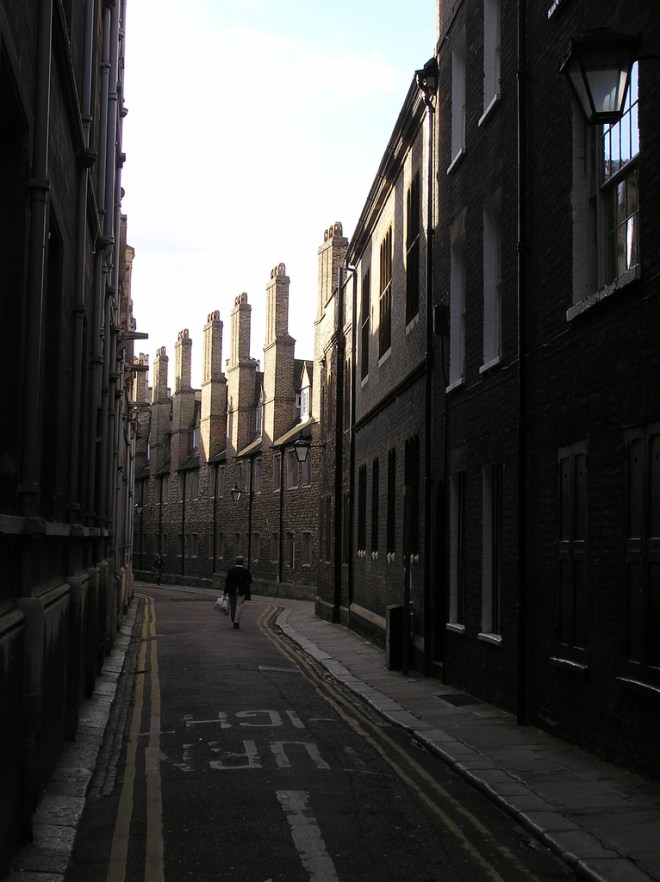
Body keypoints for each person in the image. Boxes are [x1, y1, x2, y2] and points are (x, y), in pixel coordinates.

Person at [224, 555, 252, 628]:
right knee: (239, 605)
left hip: (232, 591)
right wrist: (245, 583)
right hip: (241, 591)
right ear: (242, 563)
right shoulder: (245, 571)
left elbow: (227, 582)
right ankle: (236, 621)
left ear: (235, 562)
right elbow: (250, 580)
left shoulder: (231, 571)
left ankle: (233, 619)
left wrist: (225, 592)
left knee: (233, 606)